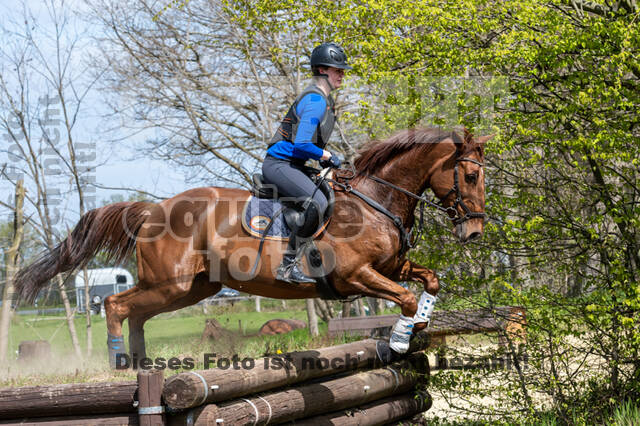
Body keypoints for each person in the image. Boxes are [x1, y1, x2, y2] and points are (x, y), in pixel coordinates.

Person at [262, 42, 351, 284]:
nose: (342, 75)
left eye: (343, 71)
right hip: (279, 165)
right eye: (338, 71)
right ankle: (288, 266)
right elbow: (302, 144)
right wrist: (326, 156)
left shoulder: (323, 99)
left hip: (293, 165)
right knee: (317, 201)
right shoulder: (316, 101)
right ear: (323, 70)